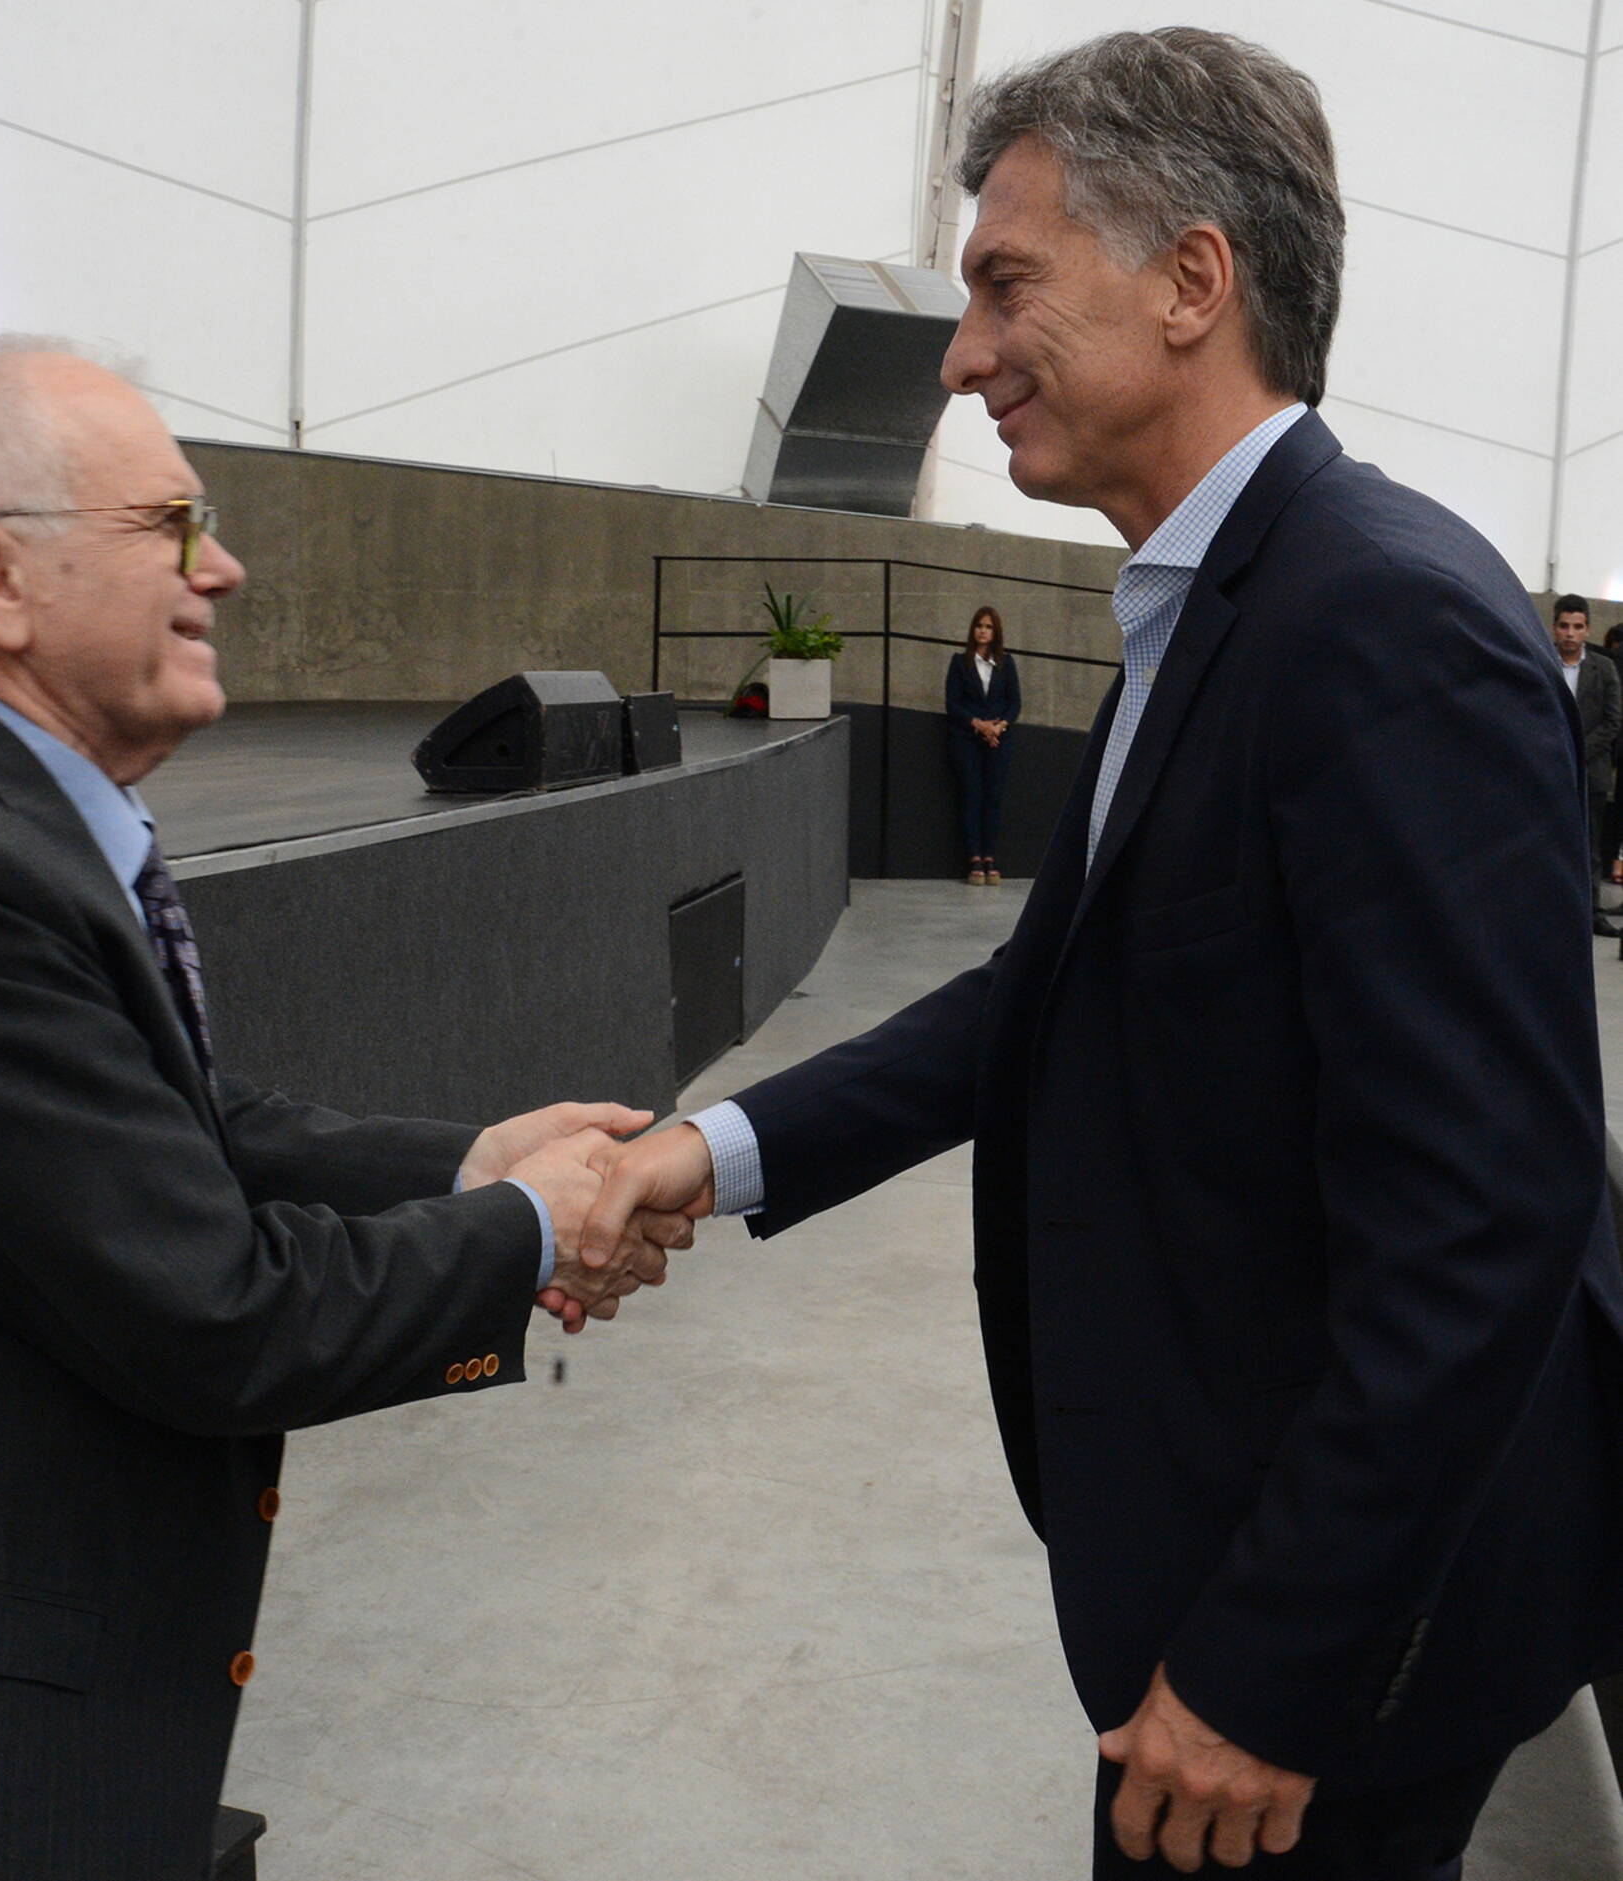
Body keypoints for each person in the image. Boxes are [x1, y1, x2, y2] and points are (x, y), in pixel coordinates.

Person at [573, 29, 1623, 1879]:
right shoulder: (1219, 599)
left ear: (1192, 282)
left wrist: (1269, 1673)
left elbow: (1485, 1210)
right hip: (1233, 1587)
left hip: (1316, 1668)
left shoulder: (1376, 620)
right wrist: (705, 1155)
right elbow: (1046, 998)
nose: (966, 352)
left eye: (1003, 282)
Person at [0, 339, 678, 1880]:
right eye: (173, 525)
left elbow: (174, 1126)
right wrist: (532, 1223)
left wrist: (472, 1161)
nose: (226, 566)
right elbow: (214, 1308)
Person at [1553, 593, 1622, 935]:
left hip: (1590, 771)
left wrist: (1578, 750)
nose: (1570, 633)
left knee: (1590, 843)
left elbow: (1612, 721)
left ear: (1587, 630)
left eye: (1577, 627)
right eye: (1564, 626)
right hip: (1548, 767)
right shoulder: (1541, 661)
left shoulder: (1604, 667)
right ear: (1554, 628)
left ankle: (1593, 911)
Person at [945, 603, 1021, 885]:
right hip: (967, 739)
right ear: (973, 630)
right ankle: (974, 858)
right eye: (979, 626)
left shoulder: (1006, 663)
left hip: (998, 741)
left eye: (988, 626)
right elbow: (953, 703)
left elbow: (1015, 703)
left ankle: (990, 856)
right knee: (971, 796)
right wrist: (979, 725)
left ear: (995, 631)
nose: (983, 631)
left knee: (993, 798)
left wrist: (998, 727)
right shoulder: (959, 662)